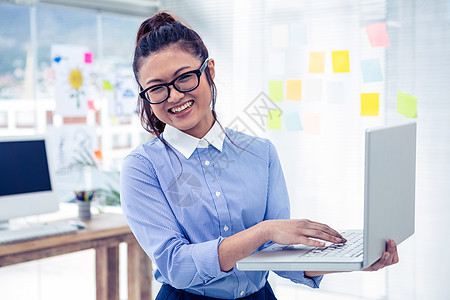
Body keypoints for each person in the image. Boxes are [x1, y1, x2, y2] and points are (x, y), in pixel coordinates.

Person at [120, 11, 399, 300]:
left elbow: (278, 256)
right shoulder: (142, 168)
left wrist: (355, 262)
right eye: (156, 88)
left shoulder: (260, 152)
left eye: (185, 78)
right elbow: (175, 265)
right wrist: (263, 231)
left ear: (209, 71)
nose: (174, 96)